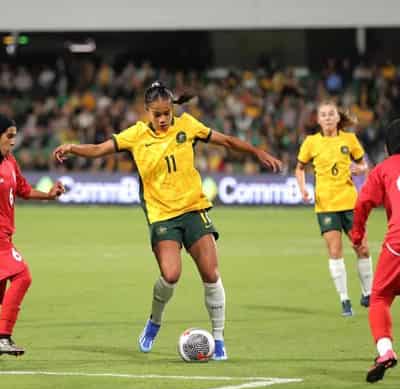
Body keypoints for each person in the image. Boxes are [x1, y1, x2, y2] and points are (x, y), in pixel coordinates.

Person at [53, 81, 282, 360]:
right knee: (171, 275)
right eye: (157, 114)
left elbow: (227, 141)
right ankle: (155, 321)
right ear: (147, 111)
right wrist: (73, 148)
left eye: (166, 113)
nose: (162, 119)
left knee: (211, 273)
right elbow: (100, 149)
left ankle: (219, 340)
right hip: (162, 215)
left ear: (172, 108)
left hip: (193, 208)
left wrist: (257, 152)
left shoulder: (187, 125)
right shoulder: (135, 135)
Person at [295, 100, 373, 317]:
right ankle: (344, 299)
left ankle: (368, 293)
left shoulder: (350, 139)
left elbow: (364, 165)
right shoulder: (311, 142)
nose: (328, 117)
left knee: (363, 248)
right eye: (324, 115)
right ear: (318, 120)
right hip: (326, 205)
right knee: (335, 251)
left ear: (338, 118)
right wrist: (303, 189)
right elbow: (299, 169)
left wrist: (360, 168)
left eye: (331, 114)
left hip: (350, 202)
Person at [0, 114, 65, 356]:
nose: (13, 141)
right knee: (22, 276)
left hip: (6, 237)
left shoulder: (9, 161)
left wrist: (49, 195)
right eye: (9, 136)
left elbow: (23, 189)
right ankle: (3, 337)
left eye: (14, 136)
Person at [350, 119, 400, 383]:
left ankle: (385, 351)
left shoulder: (384, 169)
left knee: (379, 297)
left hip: (398, 245)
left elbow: (363, 203)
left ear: (388, 145)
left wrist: (357, 236)